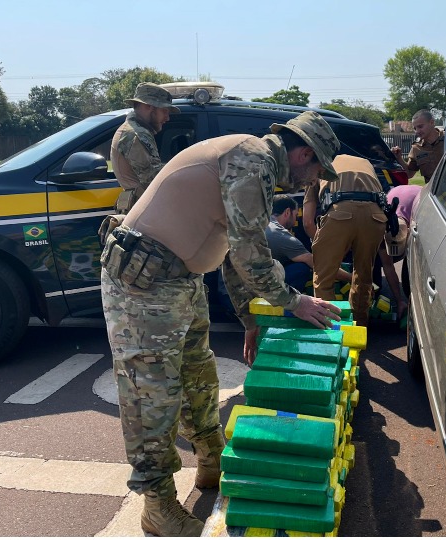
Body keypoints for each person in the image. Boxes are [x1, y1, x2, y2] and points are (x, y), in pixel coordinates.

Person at [99, 111, 343, 536]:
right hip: (145, 284)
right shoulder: (253, 160)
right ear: (303, 153)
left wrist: (248, 318)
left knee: (198, 374)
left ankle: (211, 458)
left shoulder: (252, 160)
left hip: (178, 279)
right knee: (152, 393)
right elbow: (251, 253)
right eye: (317, 168)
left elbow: (233, 249)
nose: (313, 180)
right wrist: (294, 301)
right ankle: (158, 507)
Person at [303, 154, 388, 327]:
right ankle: (359, 328)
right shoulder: (365, 162)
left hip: (339, 214)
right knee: (363, 276)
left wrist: (324, 247)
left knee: (323, 279)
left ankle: (331, 331)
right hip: (376, 217)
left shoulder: (319, 164)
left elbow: (307, 222)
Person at [110, 82, 180, 213]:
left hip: (140, 209)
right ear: (148, 106)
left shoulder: (131, 130)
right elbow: (153, 178)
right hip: (145, 213)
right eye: (164, 111)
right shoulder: (136, 134)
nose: (167, 118)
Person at [266, 194, 351, 293]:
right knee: (302, 267)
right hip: (263, 283)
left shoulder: (262, 224)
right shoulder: (281, 236)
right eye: (296, 215)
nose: (295, 221)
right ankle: (288, 304)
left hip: (249, 278)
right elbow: (319, 266)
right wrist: (351, 278)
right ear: (287, 212)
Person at [377, 184, 422, 320]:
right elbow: (388, 266)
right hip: (395, 192)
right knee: (380, 258)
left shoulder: (419, 214)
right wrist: (399, 300)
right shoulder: (380, 226)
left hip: (417, 196)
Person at [390, 109, 444, 183]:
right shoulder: (416, 148)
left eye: (420, 126)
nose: (417, 131)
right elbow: (409, 174)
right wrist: (399, 157)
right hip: (433, 192)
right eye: (415, 128)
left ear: (432, 122)